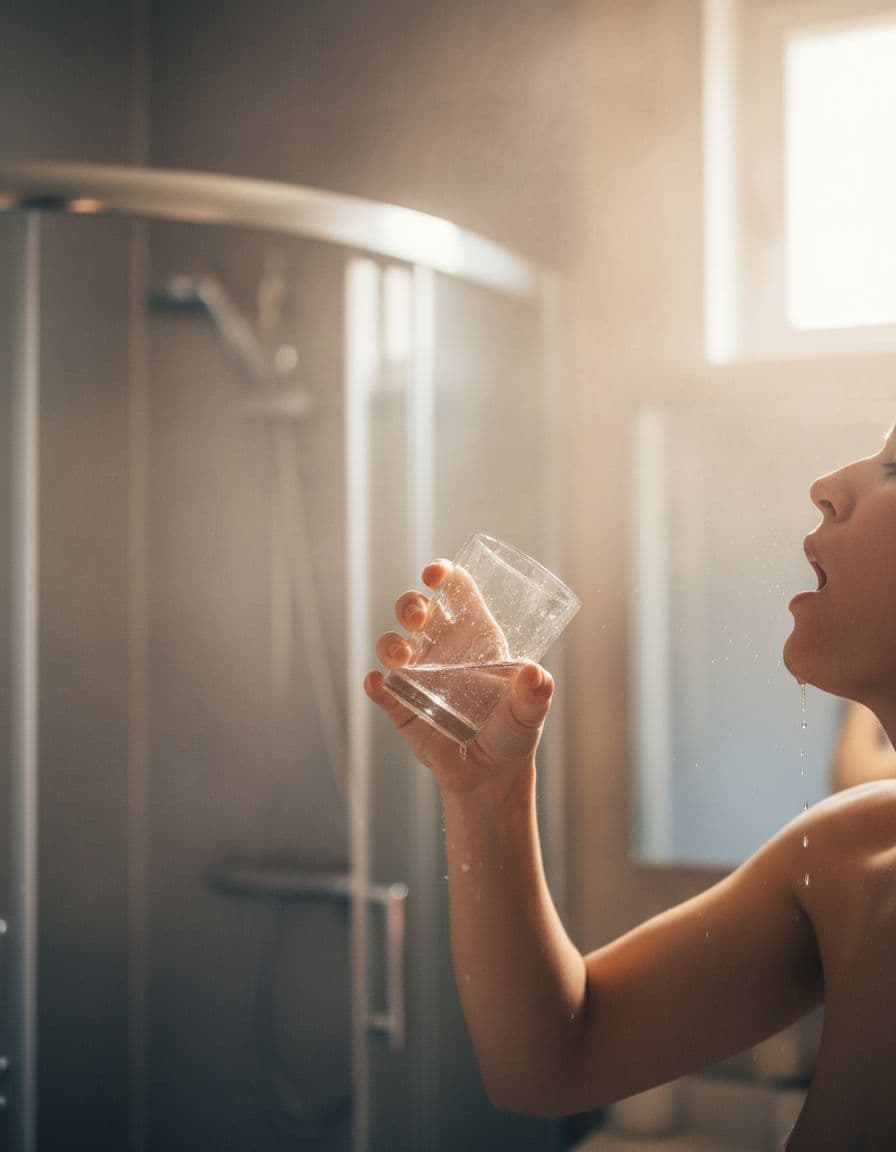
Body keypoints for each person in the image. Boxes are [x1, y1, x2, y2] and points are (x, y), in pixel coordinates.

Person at [364, 423, 896, 1151]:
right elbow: (550, 1062)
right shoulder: (851, 854)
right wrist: (488, 790)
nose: (827, 486)